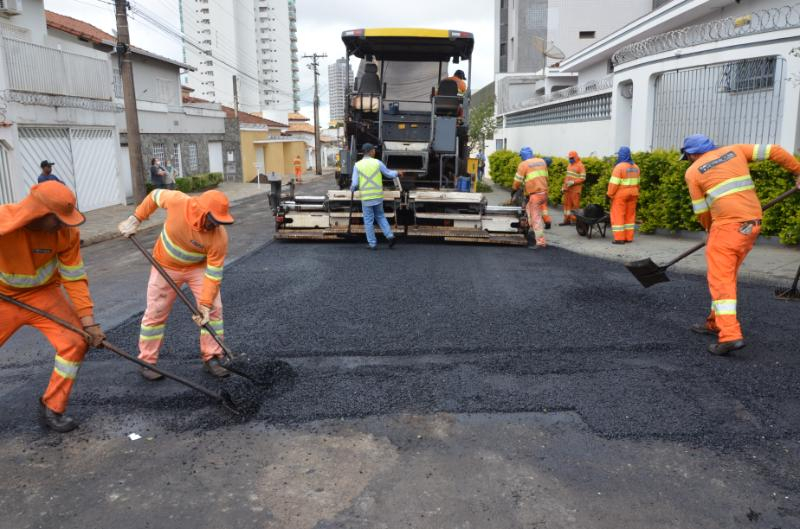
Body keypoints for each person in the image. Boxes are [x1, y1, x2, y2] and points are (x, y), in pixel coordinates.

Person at [0, 181, 105, 432]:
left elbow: (75, 277)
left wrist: (89, 323)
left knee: (75, 342)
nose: (63, 225)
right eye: (57, 220)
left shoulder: (67, 234)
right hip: (3, 297)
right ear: (39, 213)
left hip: (44, 294)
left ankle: (53, 405)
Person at [681, 134, 800, 355]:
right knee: (727, 274)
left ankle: (729, 336)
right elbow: (774, 150)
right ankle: (714, 322)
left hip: (726, 227)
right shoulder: (735, 150)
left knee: (720, 280)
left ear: (691, 154)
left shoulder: (693, 171)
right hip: (751, 224)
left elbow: (701, 210)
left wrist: (710, 229)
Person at [117, 188, 234, 379]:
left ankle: (212, 357)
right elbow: (154, 196)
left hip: (197, 268)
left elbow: (213, 273)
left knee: (213, 309)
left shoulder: (219, 238)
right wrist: (136, 219)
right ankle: (147, 362)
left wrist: (204, 305)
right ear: (201, 211)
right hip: (165, 266)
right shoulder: (179, 201)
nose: (216, 225)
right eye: (214, 220)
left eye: (220, 221)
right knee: (156, 311)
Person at [350, 143, 400, 250]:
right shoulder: (377, 163)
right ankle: (390, 236)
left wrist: (352, 189)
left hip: (366, 198)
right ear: (370, 151)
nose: (375, 152)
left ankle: (372, 244)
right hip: (377, 196)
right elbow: (389, 174)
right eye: (374, 150)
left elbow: (354, 184)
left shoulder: (357, 165)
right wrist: (398, 173)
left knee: (368, 221)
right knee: (380, 216)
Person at [513, 147, 549, 249]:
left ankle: (540, 242)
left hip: (536, 195)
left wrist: (514, 190)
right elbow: (545, 177)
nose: (521, 158)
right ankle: (533, 230)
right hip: (544, 192)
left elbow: (517, 181)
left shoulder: (524, 164)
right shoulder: (541, 161)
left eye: (521, 156)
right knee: (528, 208)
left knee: (536, 217)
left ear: (523, 155)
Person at [607, 146, 640, 244]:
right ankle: (628, 238)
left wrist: (609, 194)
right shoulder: (636, 167)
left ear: (621, 155)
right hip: (634, 193)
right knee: (630, 215)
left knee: (618, 215)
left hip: (621, 195)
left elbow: (613, 184)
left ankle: (619, 238)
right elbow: (638, 183)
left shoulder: (619, 167)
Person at [560, 151, 586, 226]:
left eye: (572, 158)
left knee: (575, 206)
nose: (570, 159)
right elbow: (567, 178)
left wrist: (573, 182)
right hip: (568, 189)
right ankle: (566, 220)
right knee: (566, 205)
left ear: (575, 157)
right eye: (569, 158)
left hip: (575, 190)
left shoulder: (580, 166)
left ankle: (575, 221)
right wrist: (563, 187)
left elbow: (583, 178)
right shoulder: (569, 165)